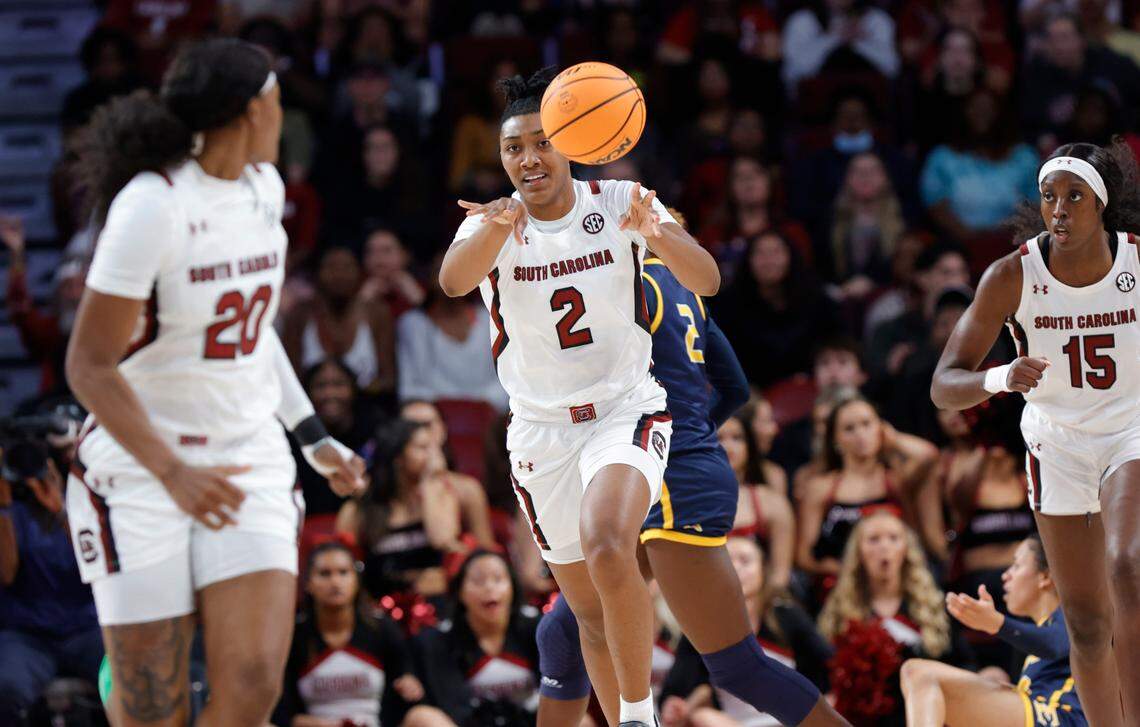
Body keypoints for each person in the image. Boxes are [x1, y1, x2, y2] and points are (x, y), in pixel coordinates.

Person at [63, 39, 365, 727]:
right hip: (142, 467)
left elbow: (253, 336)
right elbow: (87, 365)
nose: (282, 113)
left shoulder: (266, 190)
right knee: (152, 708)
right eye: (277, 101)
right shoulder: (153, 204)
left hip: (248, 455)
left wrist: (313, 438)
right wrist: (173, 472)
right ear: (252, 109)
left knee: (256, 681)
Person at [438, 66, 720, 727]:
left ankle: (640, 716)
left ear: (570, 141)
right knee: (590, 614)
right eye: (514, 147)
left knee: (608, 543)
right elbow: (453, 283)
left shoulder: (620, 200)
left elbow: (705, 277)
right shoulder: (489, 224)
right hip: (541, 433)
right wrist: (489, 230)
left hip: (626, 409)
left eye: (542, 141)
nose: (530, 158)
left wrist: (659, 230)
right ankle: (621, 716)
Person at [531, 255, 848, 727]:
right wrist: (691, 435)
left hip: (674, 480)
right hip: (664, 466)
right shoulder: (684, 289)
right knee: (565, 628)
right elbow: (736, 388)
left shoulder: (621, 279)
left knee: (740, 668)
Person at [930, 139, 1140, 726]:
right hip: (1057, 443)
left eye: (1075, 196)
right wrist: (1001, 375)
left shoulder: (1137, 262)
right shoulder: (1012, 274)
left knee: (1128, 564)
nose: (1061, 209)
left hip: (1131, 429)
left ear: (1102, 204)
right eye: (1050, 197)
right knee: (1087, 625)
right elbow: (944, 385)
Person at [901, 534, 1086, 727]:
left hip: (1064, 719)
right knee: (937, 694)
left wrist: (997, 623)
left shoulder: (1074, 614)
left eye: (1016, 565)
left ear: (1045, 576)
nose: (1005, 575)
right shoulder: (1037, 637)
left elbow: (1054, 644)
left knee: (918, 672)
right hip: (1044, 716)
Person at [659, 537, 834, 727]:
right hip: (732, 723)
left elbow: (828, 668)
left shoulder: (786, 615)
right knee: (702, 715)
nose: (736, 569)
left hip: (789, 721)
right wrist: (673, 705)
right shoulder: (703, 624)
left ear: (763, 570)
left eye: (745, 561)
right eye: (726, 561)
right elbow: (676, 689)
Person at [0, 416, 104, 724]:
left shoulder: (84, 502)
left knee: (132, 677)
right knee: (6, 687)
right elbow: (6, 574)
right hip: (27, 635)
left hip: (86, 628)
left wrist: (60, 510)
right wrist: (2, 507)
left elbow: (95, 563)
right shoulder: (9, 512)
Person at [818, 511, 957, 725]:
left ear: (906, 550)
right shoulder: (839, 609)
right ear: (859, 552)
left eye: (894, 538)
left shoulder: (932, 606)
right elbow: (824, 672)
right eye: (873, 539)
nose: (884, 547)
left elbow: (961, 663)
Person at [275, 539, 424, 727]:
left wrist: (410, 684)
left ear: (356, 580)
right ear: (308, 583)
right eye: (324, 574)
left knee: (424, 716)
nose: (335, 582)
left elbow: (406, 677)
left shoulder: (382, 629)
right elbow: (282, 712)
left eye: (343, 572)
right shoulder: (293, 636)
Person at [796, 393, 939, 585]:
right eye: (849, 428)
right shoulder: (821, 488)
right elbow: (804, 556)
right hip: (841, 583)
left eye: (867, 424)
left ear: (880, 428)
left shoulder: (897, 480)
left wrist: (893, 438)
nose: (860, 434)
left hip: (897, 581)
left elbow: (929, 455)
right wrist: (847, 572)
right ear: (835, 439)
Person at [337, 419, 488, 601]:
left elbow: (442, 539)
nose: (433, 457)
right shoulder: (358, 510)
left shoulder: (442, 495)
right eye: (423, 448)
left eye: (434, 448)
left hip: (437, 605)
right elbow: (340, 568)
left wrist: (430, 482)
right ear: (398, 456)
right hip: (380, 607)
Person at [403, 550, 542, 727]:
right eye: (478, 581)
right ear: (460, 592)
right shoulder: (440, 640)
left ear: (513, 587)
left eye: (498, 579)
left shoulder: (537, 628)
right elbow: (452, 706)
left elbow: (558, 690)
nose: (489, 587)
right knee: (421, 716)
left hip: (533, 722)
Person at [397, 255, 509, 411]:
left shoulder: (491, 319)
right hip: (435, 417)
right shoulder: (412, 324)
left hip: (490, 415)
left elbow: (509, 381)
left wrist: (481, 406)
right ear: (429, 279)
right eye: (440, 271)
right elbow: (410, 389)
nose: (449, 277)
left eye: (458, 269)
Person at [282, 245, 396, 395]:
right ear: (317, 273)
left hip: (367, 408)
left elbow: (389, 379)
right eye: (331, 267)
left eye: (347, 267)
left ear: (360, 272)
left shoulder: (376, 313)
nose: (339, 274)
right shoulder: (300, 314)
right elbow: (290, 379)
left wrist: (350, 396)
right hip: (312, 407)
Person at [294, 359, 381, 517]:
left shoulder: (374, 427)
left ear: (353, 389)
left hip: (362, 522)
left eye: (339, 384)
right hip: (310, 522)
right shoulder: (294, 438)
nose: (330, 394)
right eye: (320, 386)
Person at [719, 413, 795, 592]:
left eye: (737, 438)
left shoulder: (772, 502)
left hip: (761, 603)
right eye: (718, 438)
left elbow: (780, 574)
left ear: (749, 446)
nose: (728, 446)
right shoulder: (685, 504)